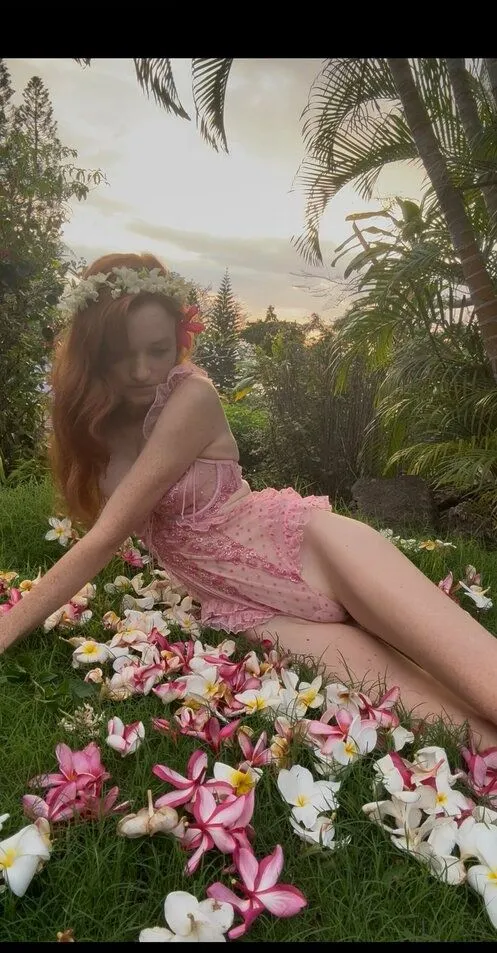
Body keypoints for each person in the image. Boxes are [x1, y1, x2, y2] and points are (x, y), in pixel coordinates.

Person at [1, 252, 497, 749]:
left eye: (158, 349)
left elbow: (106, 536)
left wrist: (8, 628)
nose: (141, 369)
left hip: (310, 548)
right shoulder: (95, 426)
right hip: (248, 608)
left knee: (487, 684)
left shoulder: (190, 398)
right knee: (463, 730)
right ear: (92, 349)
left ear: (179, 340)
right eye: (120, 353)